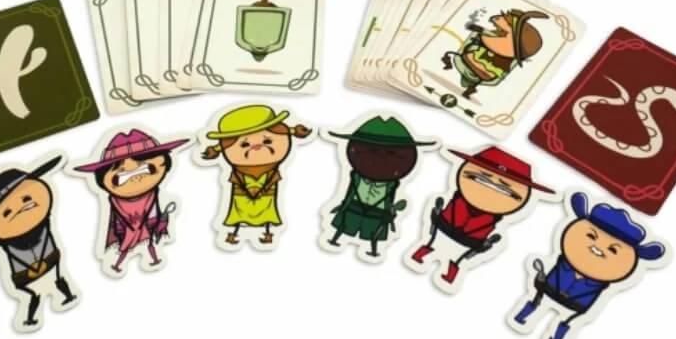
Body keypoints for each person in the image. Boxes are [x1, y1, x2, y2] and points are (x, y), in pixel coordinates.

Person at [512, 192, 666, 339]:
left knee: (567, 319)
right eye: (591, 236)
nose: (598, 247)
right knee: (538, 301)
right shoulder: (564, 264)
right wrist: (540, 277)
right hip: (550, 289)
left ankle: (557, 337)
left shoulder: (599, 282)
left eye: (613, 250)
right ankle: (523, 315)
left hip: (577, 305)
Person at [0, 155, 77, 329]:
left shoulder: (44, 221)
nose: (21, 208)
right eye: (6, 212)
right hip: (25, 273)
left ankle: (61, 294)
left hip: (47, 259)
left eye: (26, 198)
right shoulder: (4, 241)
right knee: (36, 290)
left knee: (55, 278)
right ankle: (33, 309)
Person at [410, 146, 555, 285]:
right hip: (445, 228)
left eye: (504, 190)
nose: (490, 191)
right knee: (435, 245)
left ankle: (450, 270)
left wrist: (485, 245)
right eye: (480, 179)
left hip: (468, 241)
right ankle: (424, 253)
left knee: (456, 257)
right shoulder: (457, 202)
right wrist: (436, 215)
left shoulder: (493, 217)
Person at [73, 128, 189, 274]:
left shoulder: (154, 195)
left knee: (149, 244)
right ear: (103, 180)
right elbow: (117, 222)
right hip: (127, 231)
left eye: (146, 169)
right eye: (122, 176)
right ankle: (118, 264)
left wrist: (162, 219)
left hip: (148, 227)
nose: (136, 178)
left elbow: (156, 213)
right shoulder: (115, 203)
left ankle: (152, 259)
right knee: (126, 249)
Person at [326, 115, 437, 257]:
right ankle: (335, 239)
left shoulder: (391, 184)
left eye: (391, 153)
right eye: (373, 151)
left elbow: (391, 198)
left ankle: (373, 250)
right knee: (344, 225)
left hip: (377, 211)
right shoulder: (356, 176)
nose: (381, 157)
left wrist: (391, 211)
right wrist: (344, 204)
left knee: (373, 233)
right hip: (354, 205)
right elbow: (350, 190)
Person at [201, 105, 311, 246]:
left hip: (266, 197)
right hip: (241, 197)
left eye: (267, 141)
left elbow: (274, 178)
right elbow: (235, 179)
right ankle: (233, 234)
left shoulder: (273, 171)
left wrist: (264, 187)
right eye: (244, 145)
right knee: (238, 214)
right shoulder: (237, 173)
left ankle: (267, 233)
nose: (257, 147)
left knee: (267, 214)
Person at [441, 9, 548, 99]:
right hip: (481, 67)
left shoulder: (506, 45)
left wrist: (480, 35)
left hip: (482, 67)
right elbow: (488, 36)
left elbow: (489, 40)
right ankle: (468, 83)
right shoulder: (500, 39)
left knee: (463, 55)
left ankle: (461, 76)